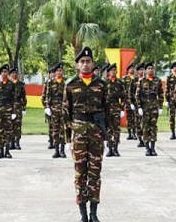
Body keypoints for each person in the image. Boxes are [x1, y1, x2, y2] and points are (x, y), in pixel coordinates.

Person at [63, 46, 108, 222]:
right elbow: (65, 113)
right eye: (82, 62)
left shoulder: (101, 85)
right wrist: (67, 139)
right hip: (79, 134)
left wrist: (107, 136)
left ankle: (94, 213)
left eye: (88, 61)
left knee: (95, 173)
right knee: (80, 174)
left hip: (96, 134)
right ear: (77, 66)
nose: (85, 64)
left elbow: (108, 110)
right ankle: (82, 214)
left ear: (93, 64)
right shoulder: (71, 85)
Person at [135, 62, 164, 156]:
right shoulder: (141, 81)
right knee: (145, 127)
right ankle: (147, 148)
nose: (151, 70)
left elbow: (160, 94)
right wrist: (139, 107)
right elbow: (137, 95)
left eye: (152, 68)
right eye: (149, 68)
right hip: (145, 108)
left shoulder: (157, 80)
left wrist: (160, 106)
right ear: (146, 70)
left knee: (153, 127)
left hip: (154, 107)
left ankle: (153, 147)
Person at [0, 64, 15, 159]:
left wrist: (14, 111)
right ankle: (1, 150)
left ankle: (7, 151)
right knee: (0, 131)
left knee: (8, 131)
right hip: (0, 110)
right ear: (0, 73)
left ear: (8, 73)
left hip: (8, 109)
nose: (4, 73)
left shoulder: (11, 85)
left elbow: (14, 99)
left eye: (6, 72)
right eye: (2, 72)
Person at [45, 62, 67, 158]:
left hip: (63, 108)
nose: (59, 72)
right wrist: (47, 107)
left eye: (60, 70)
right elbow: (47, 95)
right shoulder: (51, 82)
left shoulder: (66, 82)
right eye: (57, 71)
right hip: (54, 108)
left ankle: (62, 150)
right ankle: (56, 150)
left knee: (63, 130)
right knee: (55, 129)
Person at [105, 63, 126, 157]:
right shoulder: (105, 83)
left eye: (115, 70)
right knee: (109, 129)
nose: (113, 72)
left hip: (116, 107)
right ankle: (109, 149)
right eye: (112, 70)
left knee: (116, 129)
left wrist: (122, 108)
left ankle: (116, 148)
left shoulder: (119, 83)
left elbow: (124, 97)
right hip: (107, 108)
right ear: (109, 72)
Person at [9, 66, 27, 150]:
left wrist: (24, 108)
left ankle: (17, 142)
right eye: (13, 73)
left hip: (18, 106)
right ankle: (11, 142)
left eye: (16, 73)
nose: (14, 74)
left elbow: (24, 97)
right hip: (9, 107)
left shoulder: (21, 84)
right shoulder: (8, 84)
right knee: (10, 125)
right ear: (10, 74)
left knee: (18, 125)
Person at [121, 63, 138, 141]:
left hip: (135, 100)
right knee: (129, 117)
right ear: (128, 70)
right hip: (127, 100)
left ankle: (135, 133)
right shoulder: (124, 78)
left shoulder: (136, 78)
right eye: (130, 69)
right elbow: (122, 89)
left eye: (133, 68)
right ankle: (129, 133)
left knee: (135, 117)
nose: (132, 70)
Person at [165, 61, 176, 140]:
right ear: (172, 68)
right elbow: (167, 89)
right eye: (174, 67)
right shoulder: (169, 77)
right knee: (172, 117)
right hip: (171, 99)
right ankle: (173, 133)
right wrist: (167, 100)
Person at [42, 65, 56, 149]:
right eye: (51, 73)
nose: (53, 74)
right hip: (50, 107)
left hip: (58, 107)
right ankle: (51, 141)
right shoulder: (48, 83)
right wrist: (46, 106)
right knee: (51, 125)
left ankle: (57, 142)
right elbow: (44, 95)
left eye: (53, 73)